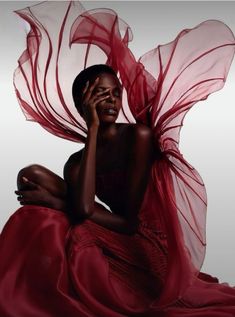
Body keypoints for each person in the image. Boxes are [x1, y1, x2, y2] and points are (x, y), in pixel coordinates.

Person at [1, 1, 235, 316]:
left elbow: (120, 221)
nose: (110, 101)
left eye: (115, 94)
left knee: (77, 231)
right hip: (111, 224)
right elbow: (84, 208)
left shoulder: (138, 137)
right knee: (31, 174)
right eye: (99, 95)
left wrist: (56, 202)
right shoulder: (76, 162)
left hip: (147, 243)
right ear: (82, 103)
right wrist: (92, 130)